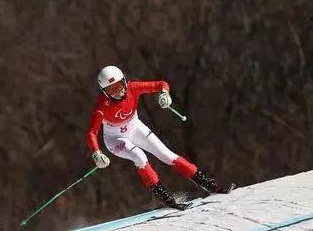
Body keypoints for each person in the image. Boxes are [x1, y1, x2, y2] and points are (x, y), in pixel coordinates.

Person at [86, 66, 234, 210]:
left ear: (124, 81)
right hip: (115, 139)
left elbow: (161, 84)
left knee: (167, 155)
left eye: (118, 86)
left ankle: (209, 184)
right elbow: (92, 133)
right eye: (111, 89)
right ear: (104, 92)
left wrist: (165, 94)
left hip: (135, 127)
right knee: (139, 157)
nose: (117, 92)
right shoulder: (102, 107)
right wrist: (97, 153)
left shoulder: (133, 88)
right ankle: (167, 198)